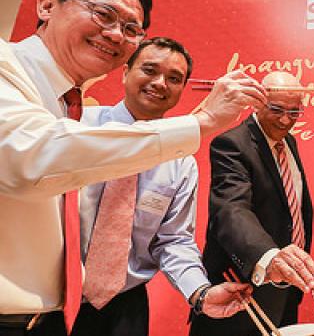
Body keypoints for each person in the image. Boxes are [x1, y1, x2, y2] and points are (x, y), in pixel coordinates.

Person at [0, 0, 265, 336]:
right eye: (103, 14)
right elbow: (32, 156)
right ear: (46, 6)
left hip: (100, 309)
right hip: (40, 312)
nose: (114, 34)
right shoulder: (73, 121)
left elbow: (173, 240)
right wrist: (201, 122)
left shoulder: (175, 157)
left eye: (130, 29)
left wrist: (200, 292)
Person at [72, 38, 248, 336]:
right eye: (150, 70)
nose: (160, 83)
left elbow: (173, 240)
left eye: (174, 79)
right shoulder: (79, 126)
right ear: (125, 72)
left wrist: (200, 292)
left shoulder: (180, 161)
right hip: (55, 298)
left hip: (125, 305)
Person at [191, 72, 314, 336]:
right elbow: (231, 210)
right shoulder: (232, 144)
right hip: (242, 288)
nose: (285, 120)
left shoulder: (288, 141)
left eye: (294, 112)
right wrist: (270, 258)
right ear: (258, 102)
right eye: (277, 110)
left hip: (285, 285)